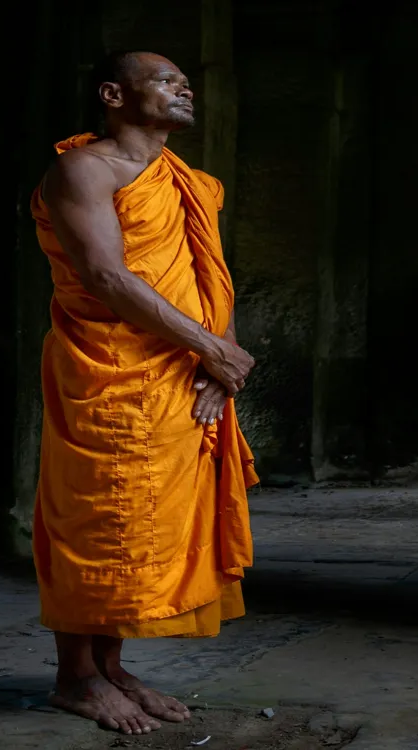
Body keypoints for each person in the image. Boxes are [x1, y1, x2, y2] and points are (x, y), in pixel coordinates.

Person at [30, 51, 260, 736]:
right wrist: (211, 348)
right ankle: (74, 677)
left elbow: (208, 278)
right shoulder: (82, 169)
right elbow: (106, 275)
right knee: (100, 516)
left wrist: (216, 366)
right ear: (113, 94)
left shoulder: (191, 184)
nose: (184, 87)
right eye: (165, 79)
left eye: (185, 80)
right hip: (106, 369)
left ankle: (111, 666)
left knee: (143, 520)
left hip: (179, 372)